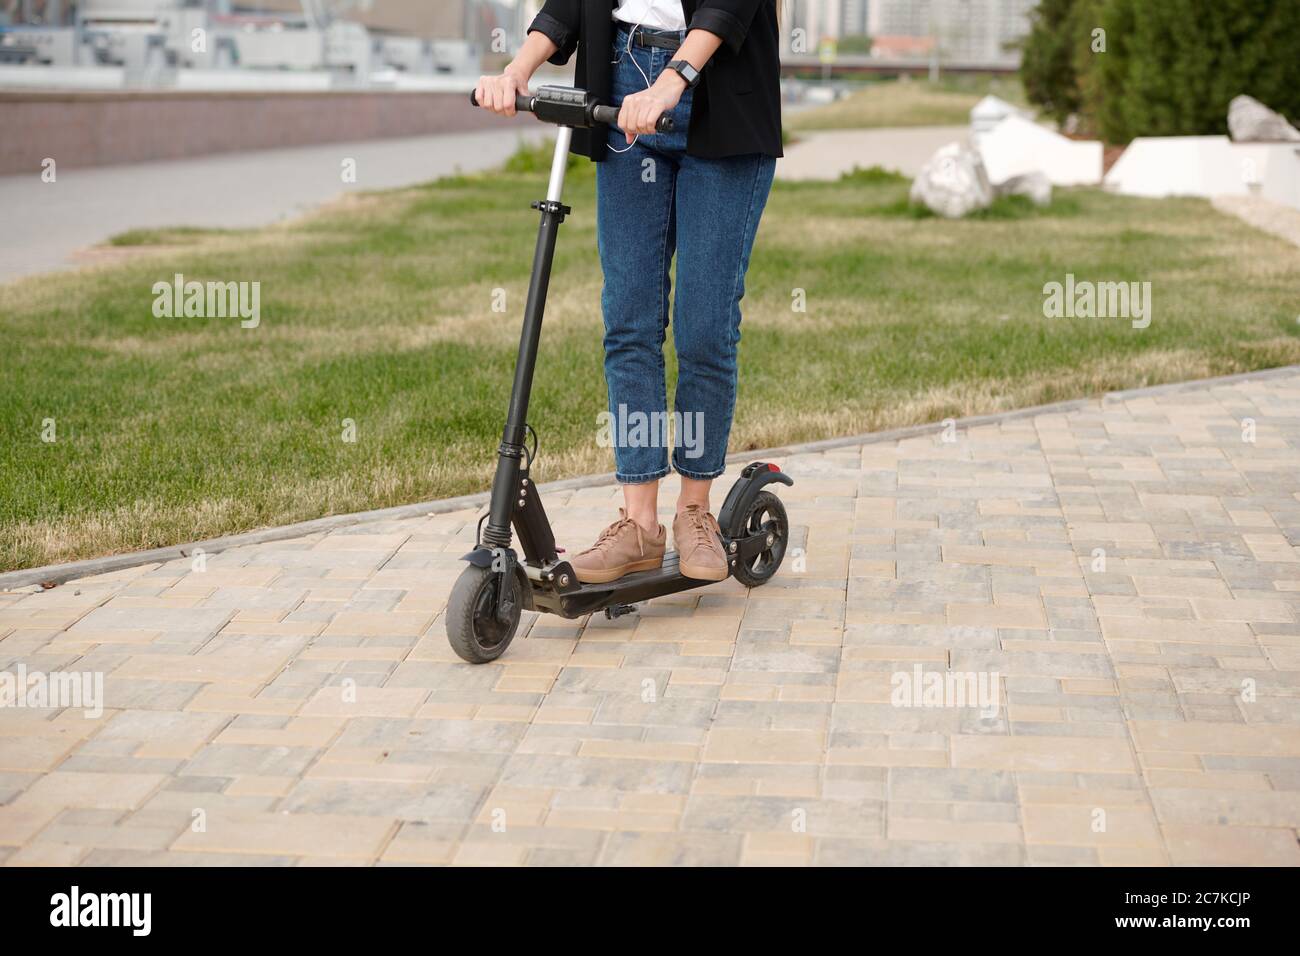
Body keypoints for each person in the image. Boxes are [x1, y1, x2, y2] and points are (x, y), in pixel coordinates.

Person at [475, 0, 781, 584]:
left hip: (718, 91)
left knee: (704, 324)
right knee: (630, 320)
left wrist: (674, 82)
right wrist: (520, 68)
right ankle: (639, 523)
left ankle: (695, 510)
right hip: (622, 86)